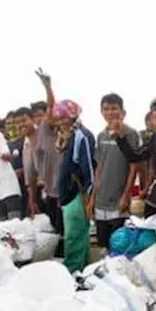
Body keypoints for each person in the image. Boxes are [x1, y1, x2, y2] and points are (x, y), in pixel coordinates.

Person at [51, 99, 97, 272]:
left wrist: (89, 198)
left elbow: (89, 170)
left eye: (64, 117)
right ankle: (82, 271)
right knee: (77, 237)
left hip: (77, 193)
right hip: (68, 194)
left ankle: (73, 273)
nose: (61, 121)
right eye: (59, 118)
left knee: (74, 237)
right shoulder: (67, 136)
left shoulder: (81, 136)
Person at [91, 94, 141, 250]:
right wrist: (93, 198)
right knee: (103, 246)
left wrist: (126, 195)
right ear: (101, 111)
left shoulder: (131, 134)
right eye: (106, 109)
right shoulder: (101, 136)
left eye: (114, 108)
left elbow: (134, 165)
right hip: (101, 201)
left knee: (119, 245)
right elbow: (99, 168)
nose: (110, 112)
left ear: (122, 111)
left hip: (119, 202)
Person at [28, 70, 64, 233]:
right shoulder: (33, 138)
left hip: (61, 189)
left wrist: (48, 87)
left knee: (63, 229)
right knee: (53, 230)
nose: (38, 119)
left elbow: (51, 107)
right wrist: (33, 198)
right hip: (48, 190)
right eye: (34, 116)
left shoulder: (47, 128)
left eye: (41, 115)